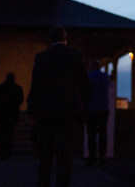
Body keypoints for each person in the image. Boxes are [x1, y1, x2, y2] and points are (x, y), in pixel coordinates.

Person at [27, 26, 90, 187]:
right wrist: (82, 110)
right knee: (65, 159)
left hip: (45, 114)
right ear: (65, 38)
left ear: (51, 39)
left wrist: (32, 111)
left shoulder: (41, 58)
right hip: (68, 115)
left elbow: (36, 86)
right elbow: (84, 85)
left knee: (45, 158)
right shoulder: (75, 56)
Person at [85, 60, 111, 166]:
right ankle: (102, 157)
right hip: (103, 109)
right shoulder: (105, 77)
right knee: (102, 134)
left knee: (91, 134)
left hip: (91, 109)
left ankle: (92, 157)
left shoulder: (88, 77)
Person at [0, 72, 24, 159]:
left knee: (3, 134)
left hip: (3, 115)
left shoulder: (0, 88)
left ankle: (3, 152)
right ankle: (7, 152)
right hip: (11, 115)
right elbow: (20, 99)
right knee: (9, 134)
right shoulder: (17, 88)